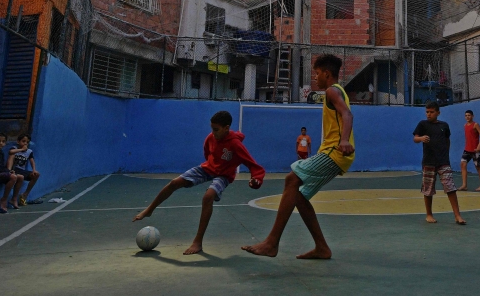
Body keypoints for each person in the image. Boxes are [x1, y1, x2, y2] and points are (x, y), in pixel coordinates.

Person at [242, 54, 355, 259]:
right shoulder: (339, 91)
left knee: (291, 179)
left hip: (335, 152)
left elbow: (347, 114)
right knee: (300, 196)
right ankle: (322, 247)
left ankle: (272, 243)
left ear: (327, 74)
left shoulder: (332, 91)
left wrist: (344, 140)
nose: (316, 77)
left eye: (317, 73)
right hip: (333, 152)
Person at [133, 111, 265, 255]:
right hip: (207, 168)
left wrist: (256, 180)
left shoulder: (235, 144)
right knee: (174, 183)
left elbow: (254, 166)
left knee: (208, 197)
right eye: (212, 129)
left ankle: (198, 242)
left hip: (224, 175)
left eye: (216, 129)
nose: (213, 133)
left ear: (226, 128)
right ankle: (150, 210)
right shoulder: (210, 137)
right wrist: (210, 165)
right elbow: (207, 152)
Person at [413, 101, 466, 225]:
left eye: (431, 112)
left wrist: (446, 154)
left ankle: (457, 215)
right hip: (428, 162)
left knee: (450, 187)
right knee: (428, 189)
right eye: (427, 112)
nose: (429, 114)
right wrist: (421, 138)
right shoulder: (422, 124)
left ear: (438, 113)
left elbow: (447, 140)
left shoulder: (444, 125)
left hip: (443, 162)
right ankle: (429, 214)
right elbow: (415, 138)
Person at [7, 134, 41, 206]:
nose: (25, 143)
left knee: (36, 174)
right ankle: (14, 198)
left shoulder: (29, 151)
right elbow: (10, 152)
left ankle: (25, 194)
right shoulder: (14, 148)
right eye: (23, 141)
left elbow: (32, 161)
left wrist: (34, 170)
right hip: (14, 170)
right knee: (20, 177)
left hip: (22, 171)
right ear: (18, 142)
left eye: (27, 142)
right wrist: (22, 149)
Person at [457, 110, 480, 192]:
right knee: (463, 164)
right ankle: (464, 185)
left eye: (469, 115)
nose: (467, 117)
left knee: (478, 166)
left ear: (472, 116)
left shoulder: (475, 125)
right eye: (466, 115)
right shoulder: (465, 125)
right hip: (467, 150)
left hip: (475, 150)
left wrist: (479, 145)